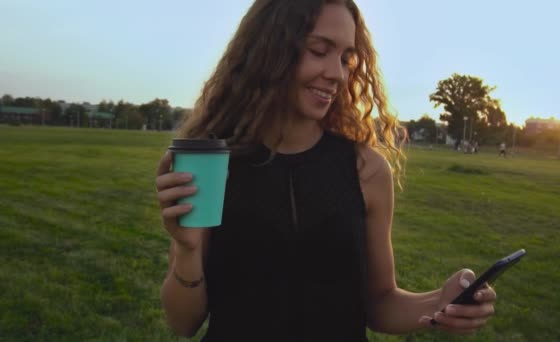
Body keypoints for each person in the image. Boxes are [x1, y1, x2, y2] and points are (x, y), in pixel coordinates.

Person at [156, 1, 496, 340]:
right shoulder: (214, 165)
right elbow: (184, 323)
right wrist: (186, 251)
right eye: (319, 50)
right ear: (269, 51)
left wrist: (442, 302)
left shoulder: (367, 170)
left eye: (346, 58)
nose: (337, 73)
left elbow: (379, 302)